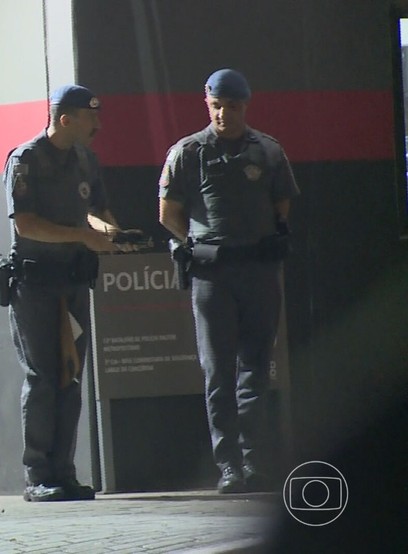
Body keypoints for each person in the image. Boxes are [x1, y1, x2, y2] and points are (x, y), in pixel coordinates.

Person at [158, 69, 300, 493]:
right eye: (217, 106)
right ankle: (229, 468)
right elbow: (167, 213)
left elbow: (282, 204)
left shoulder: (269, 151)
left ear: (245, 106)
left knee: (255, 370)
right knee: (218, 372)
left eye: (232, 107)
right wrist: (197, 244)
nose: (224, 114)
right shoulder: (187, 152)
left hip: (258, 273)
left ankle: (255, 462)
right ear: (207, 104)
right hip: (213, 276)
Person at [3, 84, 144, 502]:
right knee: (42, 377)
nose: (98, 125)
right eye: (91, 117)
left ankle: (64, 472)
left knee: (70, 375)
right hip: (35, 284)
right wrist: (86, 236)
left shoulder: (86, 159)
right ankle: (38, 476)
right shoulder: (25, 160)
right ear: (66, 119)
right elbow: (25, 224)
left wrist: (116, 235)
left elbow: (96, 214)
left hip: (74, 280)